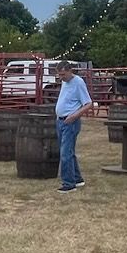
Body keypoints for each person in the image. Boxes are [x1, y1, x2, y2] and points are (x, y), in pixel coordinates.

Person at [53, 60, 92, 193]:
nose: (61, 77)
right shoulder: (65, 82)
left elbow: (88, 103)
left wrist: (74, 116)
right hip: (61, 121)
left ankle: (69, 183)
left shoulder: (78, 83)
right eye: (59, 75)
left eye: (63, 74)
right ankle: (77, 178)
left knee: (65, 153)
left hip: (71, 122)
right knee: (68, 151)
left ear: (70, 71)